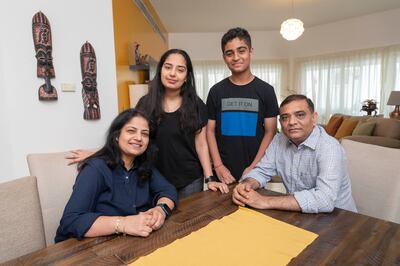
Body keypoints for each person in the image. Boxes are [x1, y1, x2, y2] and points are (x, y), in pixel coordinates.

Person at [67, 49, 228, 198]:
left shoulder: (197, 105)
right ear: (160, 71)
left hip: (190, 180)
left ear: (186, 76)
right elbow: (132, 139)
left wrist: (209, 178)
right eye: (168, 67)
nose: (173, 74)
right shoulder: (145, 103)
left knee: (188, 225)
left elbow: (201, 144)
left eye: (180, 70)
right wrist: (98, 154)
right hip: (153, 176)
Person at [55, 109, 178, 243]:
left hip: (132, 242)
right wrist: (123, 224)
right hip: (89, 248)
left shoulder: (144, 165)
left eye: (145, 134)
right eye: (131, 131)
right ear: (116, 136)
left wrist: (160, 210)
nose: (138, 138)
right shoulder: (95, 168)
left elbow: (168, 190)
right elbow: (71, 221)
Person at [232, 94, 357, 213]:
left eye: (300, 115)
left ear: (314, 118)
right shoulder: (278, 139)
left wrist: (265, 201)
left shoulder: (329, 147)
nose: (291, 122)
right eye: (285, 117)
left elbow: (325, 200)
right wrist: (246, 185)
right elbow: (262, 171)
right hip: (299, 214)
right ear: (280, 122)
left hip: (341, 220)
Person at [206, 27, 279, 184]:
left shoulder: (266, 90)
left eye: (241, 50)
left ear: (250, 51)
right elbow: (210, 131)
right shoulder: (216, 91)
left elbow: (270, 132)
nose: (236, 57)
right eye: (229, 53)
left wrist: (254, 166)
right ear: (224, 57)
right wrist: (218, 165)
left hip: (257, 171)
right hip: (223, 172)